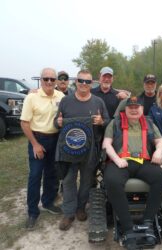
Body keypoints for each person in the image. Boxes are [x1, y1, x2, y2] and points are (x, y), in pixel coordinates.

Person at [103, 96, 162, 249]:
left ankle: (147, 222)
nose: (133, 109)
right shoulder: (115, 123)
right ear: (125, 109)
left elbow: (161, 141)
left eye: (136, 107)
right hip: (120, 162)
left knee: (161, 177)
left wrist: (158, 151)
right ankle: (127, 227)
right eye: (130, 107)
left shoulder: (149, 123)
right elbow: (106, 144)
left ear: (141, 109)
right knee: (112, 180)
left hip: (143, 162)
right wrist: (117, 160)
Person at [54, 69, 109, 231]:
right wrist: (58, 123)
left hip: (90, 151)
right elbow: (56, 123)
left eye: (87, 81)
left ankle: (80, 208)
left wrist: (101, 122)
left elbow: (108, 121)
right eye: (81, 80)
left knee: (86, 180)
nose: (84, 84)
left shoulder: (98, 102)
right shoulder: (66, 101)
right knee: (69, 180)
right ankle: (69, 212)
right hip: (69, 151)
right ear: (76, 82)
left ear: (91, 84)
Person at [20, 68, 65, 230]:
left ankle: (47, 202)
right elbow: (24, 123)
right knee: (35, 175)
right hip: (38, 139)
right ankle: (32, 212)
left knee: (52, 174)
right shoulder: (32, 97)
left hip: (55, 139)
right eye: (46, 79)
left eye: (53, 79)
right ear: (41, 79)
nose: (49, 82)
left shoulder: (61, 96)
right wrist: (35, 144)